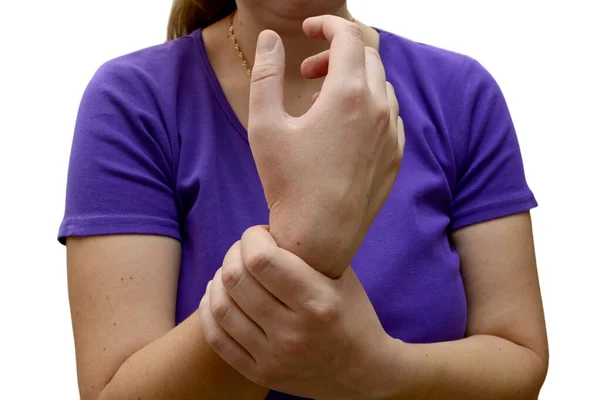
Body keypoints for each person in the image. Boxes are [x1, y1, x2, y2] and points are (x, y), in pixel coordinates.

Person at [58, 0, 549, 399]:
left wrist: (378, 370)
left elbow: (520, 358)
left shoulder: (462, 93)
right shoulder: (132, 100)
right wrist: (310, 238)